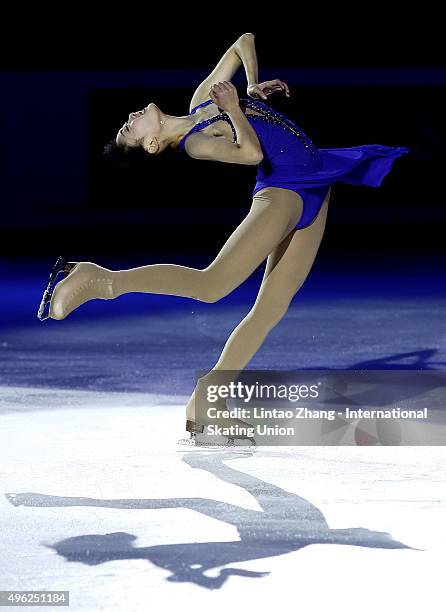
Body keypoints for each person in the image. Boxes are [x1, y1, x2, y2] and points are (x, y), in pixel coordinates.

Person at [37, 33, 409, 441]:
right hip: (283, 192)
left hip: (317, 190)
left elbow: (242, 42)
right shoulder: (197, 143)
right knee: (212, 284)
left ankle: (209, 398)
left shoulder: (201, 98)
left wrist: (249, 84)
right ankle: (101, 279)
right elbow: (250, 155)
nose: (131, 115)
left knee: (271, 308)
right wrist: (234, 109)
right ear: (153, 144)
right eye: (130, 128)